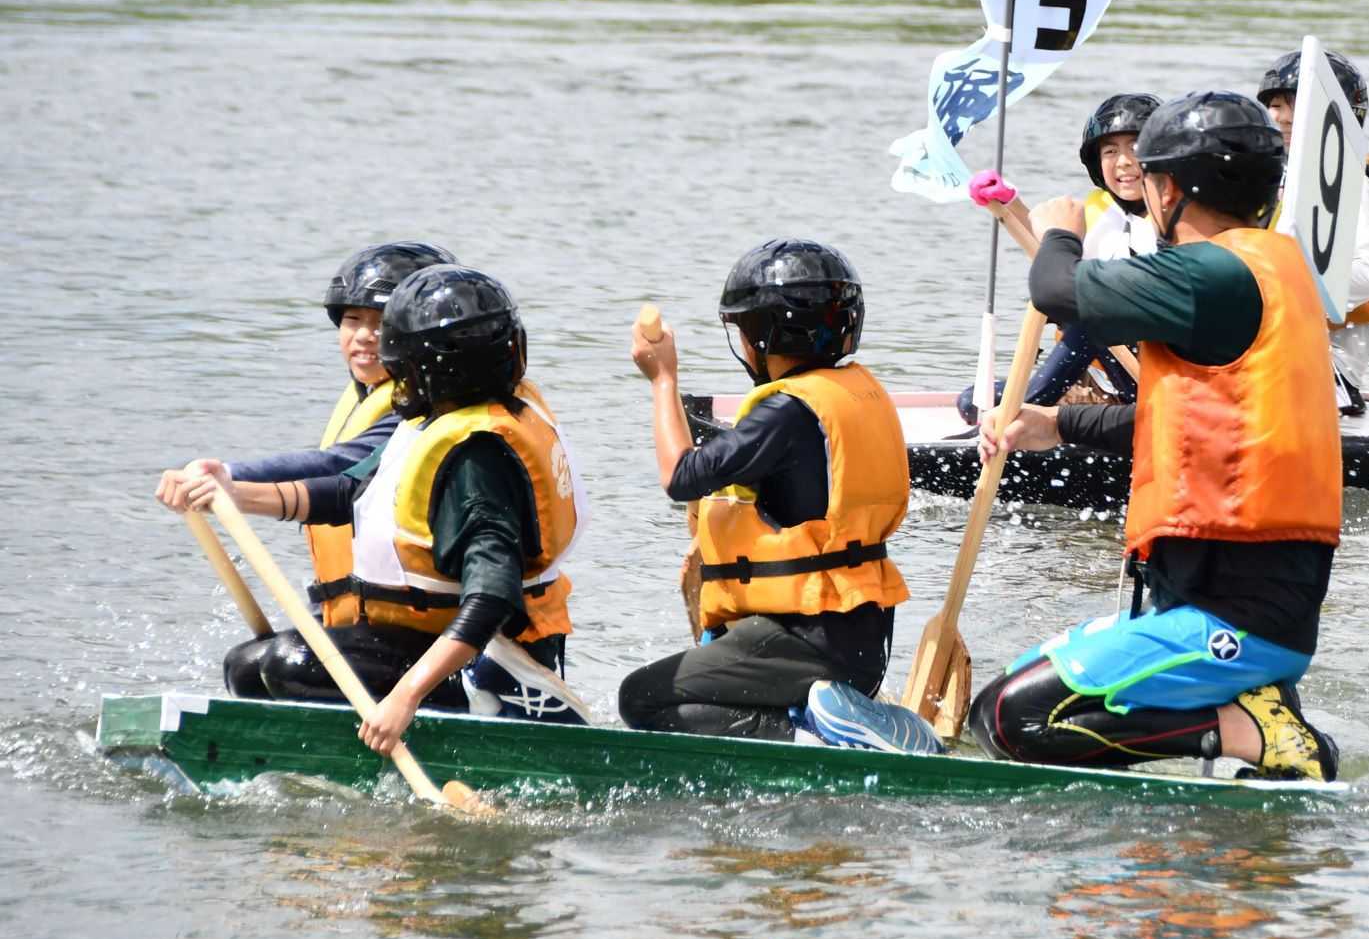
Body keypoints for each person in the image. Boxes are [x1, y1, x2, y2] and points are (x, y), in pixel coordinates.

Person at [966, 91, 1341, 781]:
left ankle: (1257, 734)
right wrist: (1057, 423)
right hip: (1216, 595)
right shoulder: (1270, 265)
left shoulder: (1216, 273)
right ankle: (1251, 720)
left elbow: (1056, 288)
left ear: (1168, 189)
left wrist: (1058, 229)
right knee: (999, 695)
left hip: (1238, 611)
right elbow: (1201, 421)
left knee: (1011, 719)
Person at [162, 264, 588, 749]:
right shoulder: (438, 421)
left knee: (289, 664)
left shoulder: (479, 458)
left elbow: (491, 599)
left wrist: (404, 698)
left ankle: (510, 701)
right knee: (248, 665)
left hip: (490, 657)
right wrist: (231, 495)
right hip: (428, 636)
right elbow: (348, 491)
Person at [619, 239, 937, 750]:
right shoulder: (847, 394)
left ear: (765, 335)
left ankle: (813, 737)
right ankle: (840, 719)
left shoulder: (785, 412)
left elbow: (681, 476)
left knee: (643, 697)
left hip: (808, 638)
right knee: (703, 700)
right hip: (862, 637)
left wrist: (662, 380)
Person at [155, 240, 454, 636]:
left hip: (427, 628)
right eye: (352, 320)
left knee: (272, 664)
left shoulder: (423, 409)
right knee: (253, 668)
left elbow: (343, 467)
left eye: (381, 324)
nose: (364, 336)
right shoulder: (367, 396)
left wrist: (228, 476)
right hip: (367, 613)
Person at [958, 93, 1160, 427]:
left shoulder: (1174, 216)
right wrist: (1008, 202)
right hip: (1098, 377)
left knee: (1090, 317)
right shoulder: (1095, 210)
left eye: (1135, 148)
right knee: (972, 401)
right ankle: (1022, 413)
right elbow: (1048, 250)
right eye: (1111, 151)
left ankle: (1010, 422)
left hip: (1151, 380)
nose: (1123, 162)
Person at [1256, 49, 1369, 410]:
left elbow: (1368, 276)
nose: (1282, 118)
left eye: (1295, 105)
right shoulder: (1262, 177)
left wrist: (1287, 284)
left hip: (1331, 355)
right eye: (1275, 105)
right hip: (1269, 342)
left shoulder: (1352, 181)